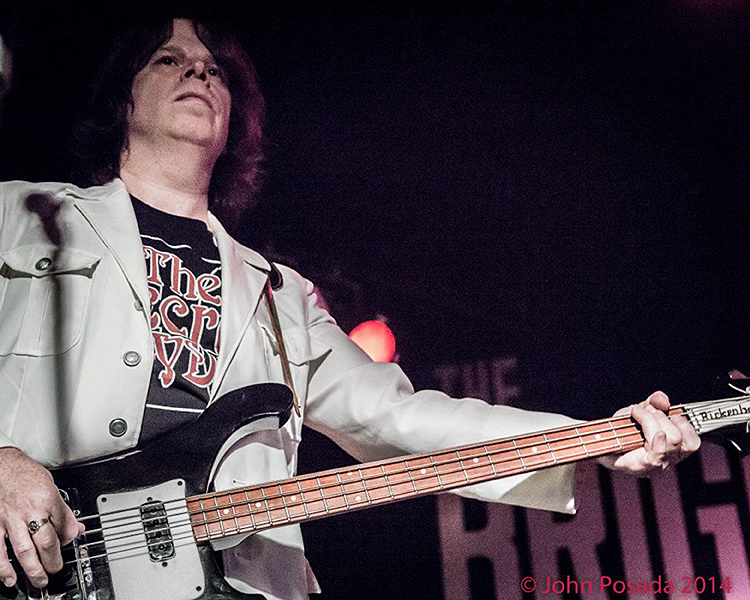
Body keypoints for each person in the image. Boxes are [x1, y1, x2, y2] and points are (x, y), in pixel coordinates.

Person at [0, 17, 701, 600]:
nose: (200, 73)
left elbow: (402, 420)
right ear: (122, 98)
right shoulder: (19, 217)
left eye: (216, 70)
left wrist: (594, 439)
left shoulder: (280, 294)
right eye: (168, 58)